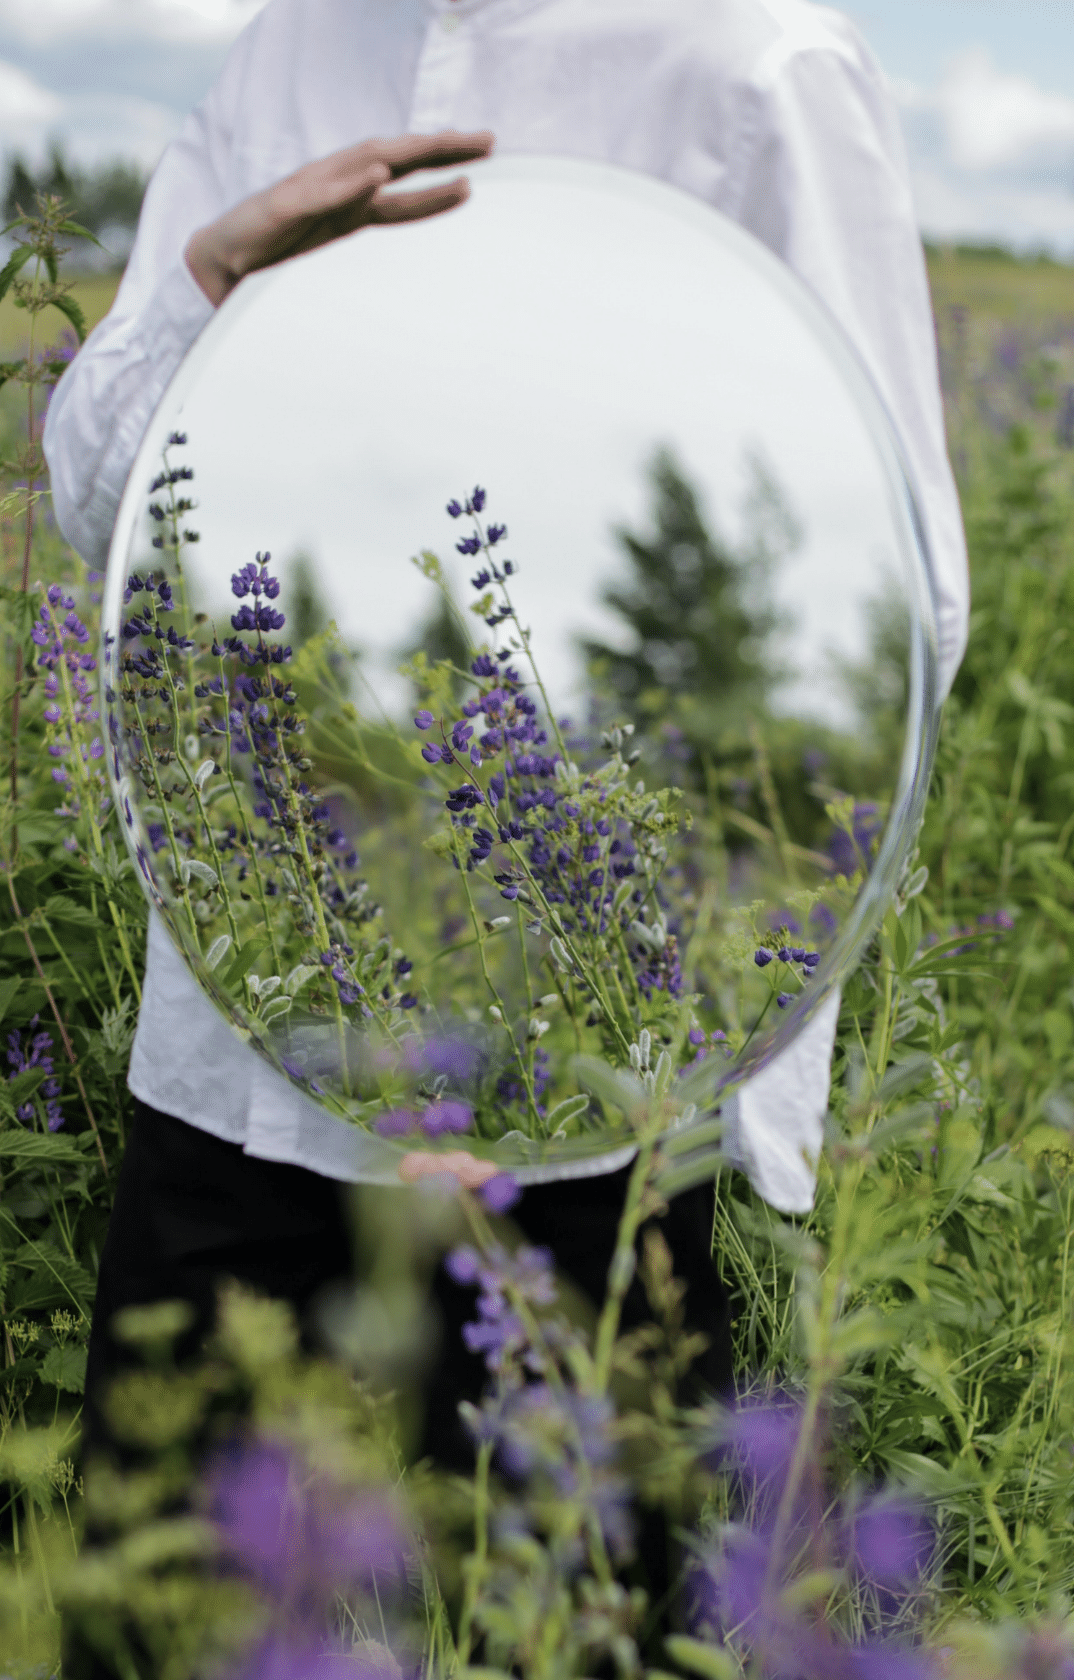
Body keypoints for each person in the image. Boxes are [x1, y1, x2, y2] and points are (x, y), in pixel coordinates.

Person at [45, 0, 968, 1629]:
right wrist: (209, 282)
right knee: (156, 1613)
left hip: (593, 1083)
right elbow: (105, 511)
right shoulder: (283, 55)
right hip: (244, 1041)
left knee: (567, 1626)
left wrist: (697, 948)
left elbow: (896, 603)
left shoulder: (754, 59)